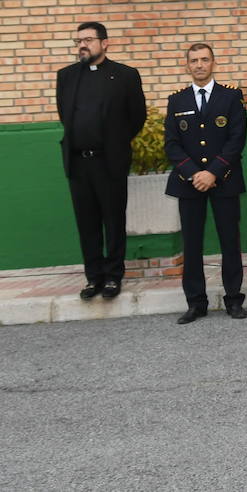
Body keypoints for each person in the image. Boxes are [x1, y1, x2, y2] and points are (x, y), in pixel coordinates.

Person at [55, 21, 147, 301]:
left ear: (104, 43)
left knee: (113, 220)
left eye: (88, 40)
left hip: (110, 162)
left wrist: (117, 143)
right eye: (78, 41)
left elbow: (137, 116)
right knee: (87, 222)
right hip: (78, 163)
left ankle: (113, 276)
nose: (82, 45)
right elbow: (64, 115)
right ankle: (93, 277)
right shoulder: (66, 76)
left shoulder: (125, 76)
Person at [163, 42, 246, 322]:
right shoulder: (177, 100)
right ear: (187, 65)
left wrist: (212, 172)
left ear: (214, 63)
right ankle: (196, 303)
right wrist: (194, 173)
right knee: (192, 243)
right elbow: (172, 144)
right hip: (189, 183)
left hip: (224, 179)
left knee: (229, 241)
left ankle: (234, 299)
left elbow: (236, 139)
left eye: (204, 59)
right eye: (194, 60)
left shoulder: (231, 97)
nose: (199, 65)